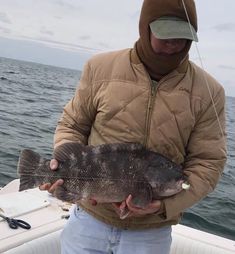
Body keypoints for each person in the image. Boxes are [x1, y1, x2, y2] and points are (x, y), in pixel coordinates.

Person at [41, 0, 227, 253]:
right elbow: (73, 124)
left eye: (181, 37)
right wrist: (63, 163)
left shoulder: (210, 92)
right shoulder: (100, 67)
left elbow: (209, 162)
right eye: (164, 36)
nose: (173, 45)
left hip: (151, 233)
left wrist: (161, 207)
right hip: (89, 220)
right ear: (145, 28)